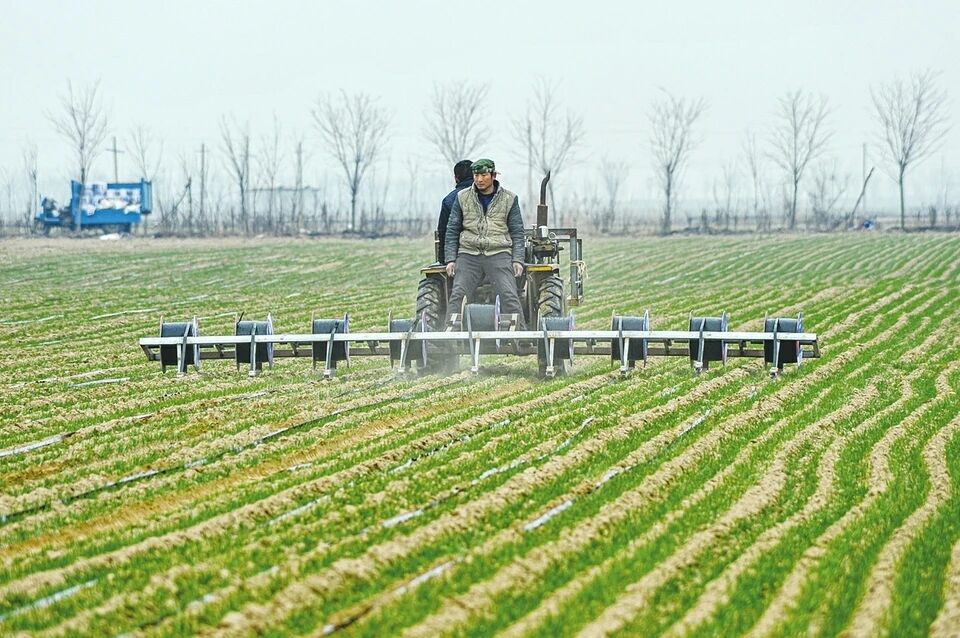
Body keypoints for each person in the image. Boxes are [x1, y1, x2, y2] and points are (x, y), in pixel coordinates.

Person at [444, 158, 526, 326]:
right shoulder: (462, 197)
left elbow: (517, 232)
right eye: (476, 175)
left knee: (508, 293)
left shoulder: (509, 199)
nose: (479, 179)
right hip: (469, 254)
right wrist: (451, 260)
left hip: (498, 253)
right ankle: (448, 337)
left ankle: (522, 335)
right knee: (458, 294)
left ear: (493, 175)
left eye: (483, 175)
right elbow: (452, 230)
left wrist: (517, 260)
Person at [436, 159, 474, 264]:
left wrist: (444, 259)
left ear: (456, 178)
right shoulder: (492, 196)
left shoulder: (449, 200)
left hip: (459, 258)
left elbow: (443, 232)